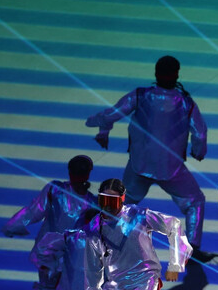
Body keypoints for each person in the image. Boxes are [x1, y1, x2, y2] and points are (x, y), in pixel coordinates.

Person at [85, 55, 211, 261]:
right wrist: (199, 152)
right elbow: (200, 133)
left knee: (122, 205)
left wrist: (101, 129)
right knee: (195, 202)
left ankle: (107, 241)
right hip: (171, 168)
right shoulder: (187, 104)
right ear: (177, 74)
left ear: (156, 73)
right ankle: (193, 248)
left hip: (139, 165)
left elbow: (113, 113)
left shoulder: (140, 95)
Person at [2, 155, 96, 290]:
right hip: (51, 252)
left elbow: (34, 210)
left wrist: (13, 226)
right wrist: (14, 225)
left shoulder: (86, 201)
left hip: (71, 256)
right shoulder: (57, 191)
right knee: (48, 288)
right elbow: (34, 210)